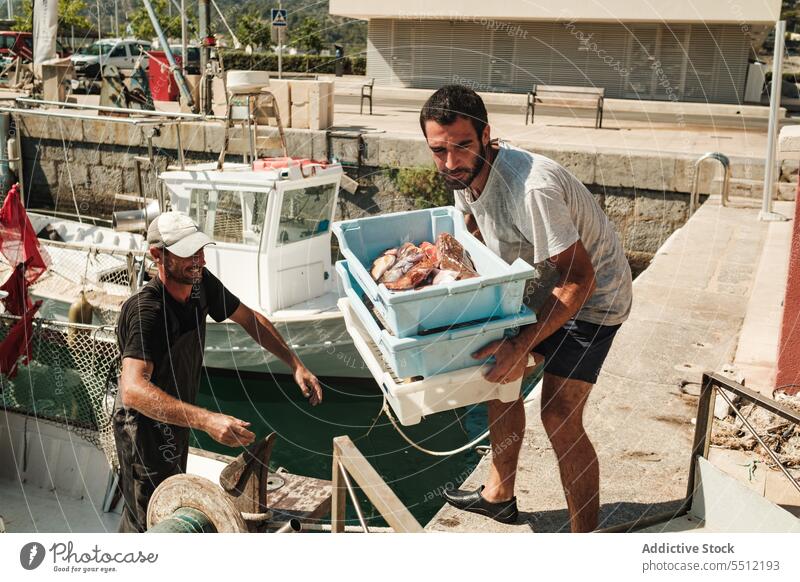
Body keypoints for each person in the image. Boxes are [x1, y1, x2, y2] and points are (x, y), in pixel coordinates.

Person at [420, 85, 632, 532]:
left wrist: (522, 343)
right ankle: (499, 495)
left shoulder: (531, 187)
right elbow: (475, 226)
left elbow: (580, 278)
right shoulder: (462, 175)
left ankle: (584, 538)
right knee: (501, 376)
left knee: (558, 416)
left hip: (595, 298)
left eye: (462, 146)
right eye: (439, 150)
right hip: (540, 283)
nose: (451, 161)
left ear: (486, 136)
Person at [113, 212, 323, 533]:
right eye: (187, 253)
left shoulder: (200, 284)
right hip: (142, 429)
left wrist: (295, 364)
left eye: (199, 249)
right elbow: (132, 390)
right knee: (149, 519)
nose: (198, 260)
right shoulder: (146, 312)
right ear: (157, 255)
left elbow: (249, 319)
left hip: (176, 418)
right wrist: (208, 420)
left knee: (173, 495)